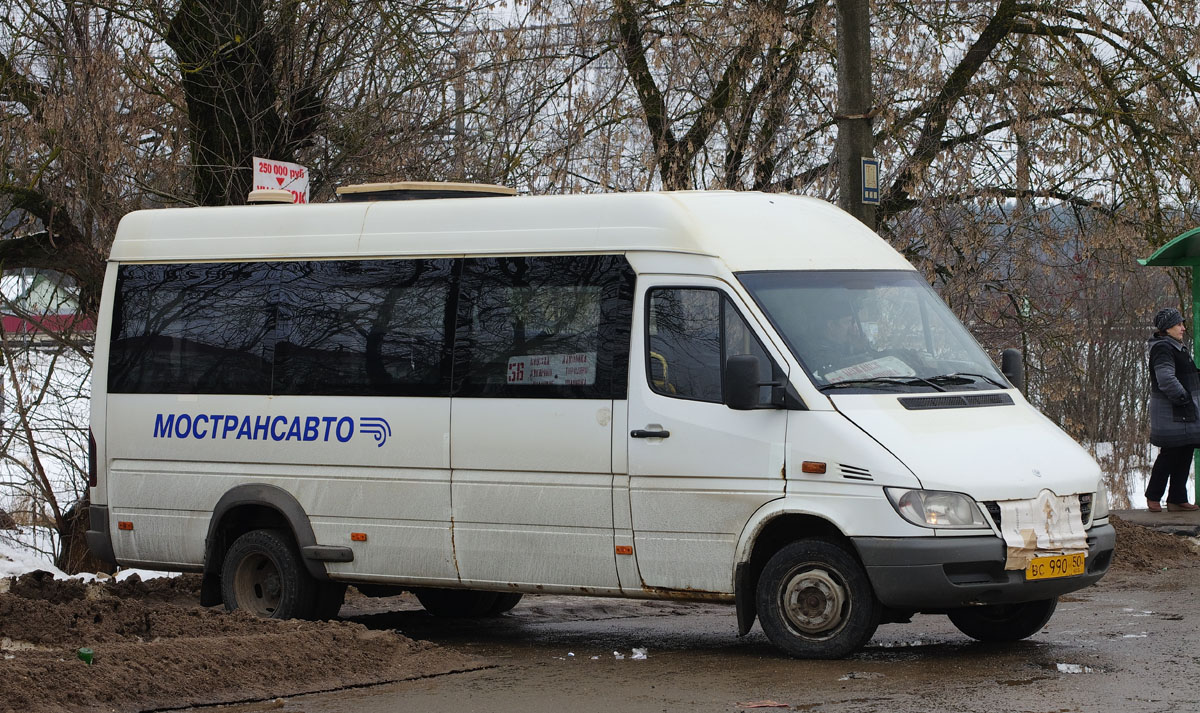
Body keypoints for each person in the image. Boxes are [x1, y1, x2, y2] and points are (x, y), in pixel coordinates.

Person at [1146, 307, 1200, 512]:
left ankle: (1177, 498)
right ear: (1167, 328)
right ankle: (1153, 496)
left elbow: (1186, 374)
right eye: (1179, 324)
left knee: (1185, 452)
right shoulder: (1163, 348)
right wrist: (1183, 397)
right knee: (1170, 454)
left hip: (1183, 412)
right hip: (1172, 412)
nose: (1183, 328)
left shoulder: (1176, 347)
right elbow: (1166, 379)